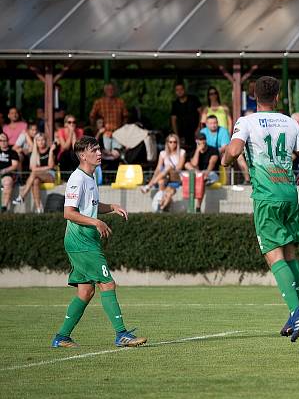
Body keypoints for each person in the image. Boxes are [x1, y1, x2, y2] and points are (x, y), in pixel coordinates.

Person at [222, 76, 299, 343]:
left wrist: (227, 159)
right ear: (277, 98)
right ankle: (294, 312)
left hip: (266, 196)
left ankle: (296, 310)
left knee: (272, 255)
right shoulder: (289, 122)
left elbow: (235, 149)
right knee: (289, 252)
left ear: (254, 96)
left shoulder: (246, 121)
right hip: (288, 193)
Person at [50, 136, 146, 349]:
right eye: (95, 150)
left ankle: (61, 337)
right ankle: (122, 334)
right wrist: (96, 222)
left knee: (86, 292)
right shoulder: (77, 179)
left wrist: (111, 207)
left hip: (85, 241)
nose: (100, 153)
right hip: (81, 241)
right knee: (107, 283)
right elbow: (69, 213)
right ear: (83, 155)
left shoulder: (90, 177)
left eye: (99, 149)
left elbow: (90, 206)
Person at [141, 133, 185, 213]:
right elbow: (158, 168)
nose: (172, 144)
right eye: (170, 142)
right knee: (161, 181)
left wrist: (169, 168)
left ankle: (148, 186)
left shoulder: (182, 152)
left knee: (167, 167)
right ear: (167, 143)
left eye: (175, 142)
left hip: (176, 175)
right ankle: (161, 207)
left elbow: (179, 167)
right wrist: (155, 176)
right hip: (165, 176)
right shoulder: (163, 153)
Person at [13, 133, 57, 213]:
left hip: (50, 175)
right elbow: (32, 168)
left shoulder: (50, 149)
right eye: (39, 140)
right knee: (35, 181)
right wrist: (43, 168)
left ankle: (22, 196)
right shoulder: (33, 152)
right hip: (39, 175)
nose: (41, 142)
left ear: (46, 141)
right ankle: (39, 209)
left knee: (34, 173)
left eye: (43, 140)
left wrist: (50, 152)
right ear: (36, 141)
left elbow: (51, 166)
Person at [184, 132, 220, 210]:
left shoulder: (213, 150)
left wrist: (205, 173)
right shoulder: (193, 151)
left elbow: (212, 163)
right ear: (196, 141)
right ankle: (193, 206)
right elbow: (194, 163)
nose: (202, 141)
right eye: (200, 140)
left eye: (203, 139)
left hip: (211, 174)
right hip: (198, 173)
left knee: (201, 180)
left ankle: (198, 206)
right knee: (187, 164)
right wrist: (197, 151)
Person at [170, 82, 202, 150]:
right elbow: (173, 120)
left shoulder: (194, 99)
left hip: (195, 131)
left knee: (197, 149)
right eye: (177, 90)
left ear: (185, 90)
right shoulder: (175, 104)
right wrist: (176, 135)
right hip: (182, 133)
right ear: (175, 92)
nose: (179, 91)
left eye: (181, 89)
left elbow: (201, 113)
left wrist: (199, 127)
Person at [0, 132, 20, 212]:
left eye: (5, 140)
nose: (3, 142)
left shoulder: (12, 152)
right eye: (1, 140)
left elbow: (15, 165)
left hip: (7, 174)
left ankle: (3, 208)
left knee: (8, 182)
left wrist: (4, 171)